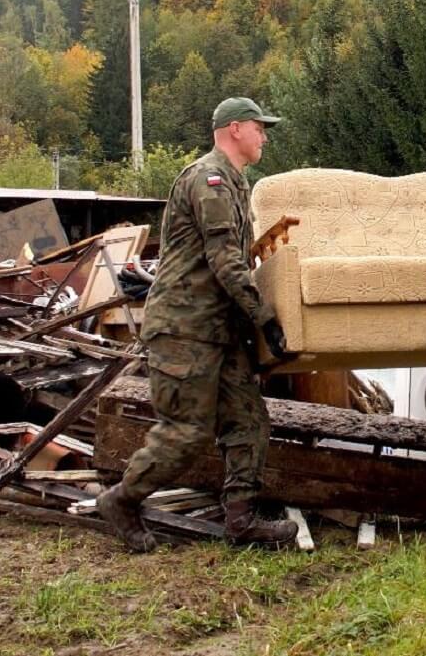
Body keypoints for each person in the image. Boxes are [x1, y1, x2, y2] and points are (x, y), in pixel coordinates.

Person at [96, 97, 297, 552]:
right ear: (235, 129)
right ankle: (122, 500)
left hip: (217, 331)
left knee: (249, 421)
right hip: (185, 329)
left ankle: (241, 522)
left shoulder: (234, 182)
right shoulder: (209, 181)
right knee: (186, 430)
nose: (264, 136)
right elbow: (226, 263)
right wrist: (264, 318)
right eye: (260, 128)